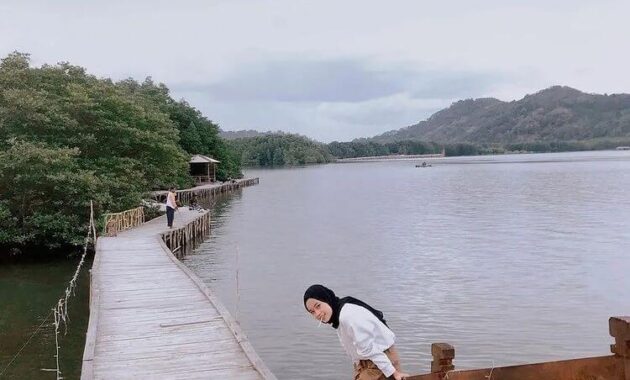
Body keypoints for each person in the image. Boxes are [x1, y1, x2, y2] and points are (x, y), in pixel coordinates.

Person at [303, 284, 409, 380]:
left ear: (327, 299)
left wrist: (393, 372)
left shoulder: (347, 315)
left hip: (380, 358)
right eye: (312, 312)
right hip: (366, 362)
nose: (317, 314)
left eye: (318, 306)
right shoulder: (338, 315)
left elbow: (369, 348)